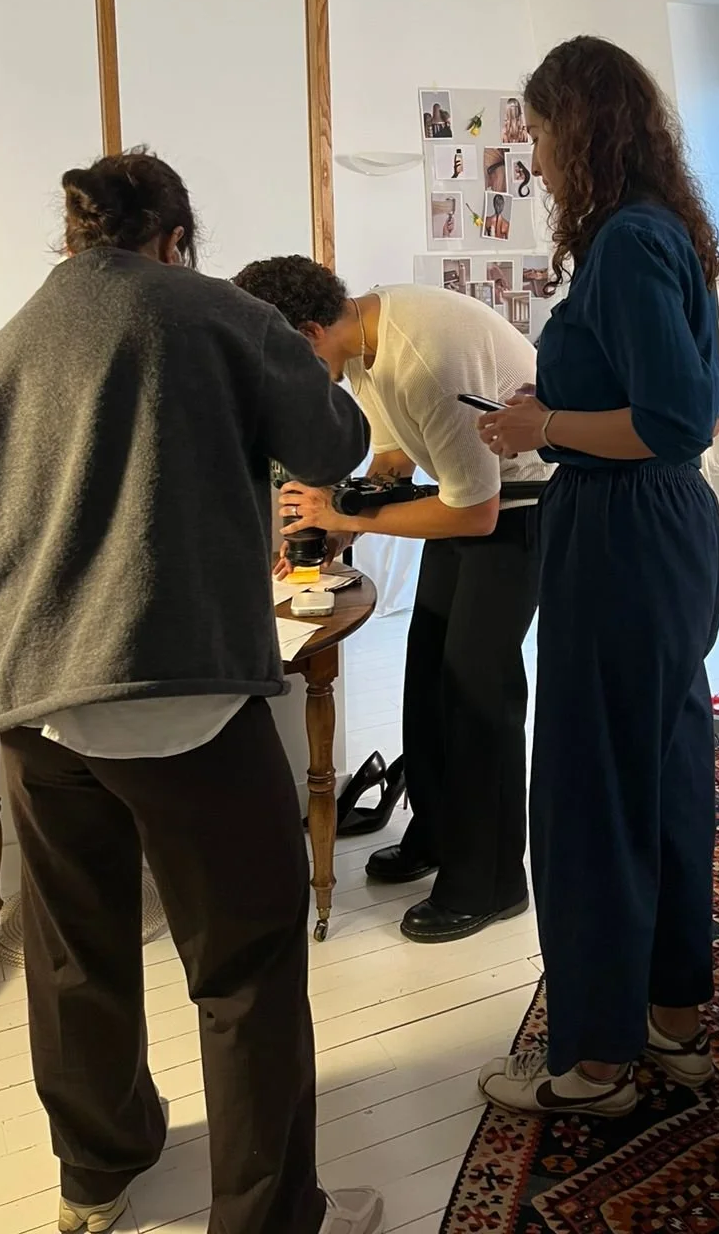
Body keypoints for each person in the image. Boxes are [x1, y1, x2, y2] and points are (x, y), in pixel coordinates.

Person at [0, 151, 378, 1234]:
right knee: (246, 969)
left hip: (36, 707)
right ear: (176, 235)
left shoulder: (6, 349)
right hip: (180, 700)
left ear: (77, 235)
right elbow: (337, 441)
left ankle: (98, 1175)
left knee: (76, 956)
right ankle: (270, 1219)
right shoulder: (211, 311)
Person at [476, 36, 719, 1116]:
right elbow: (699, 409)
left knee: (591, 791)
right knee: (664, 768)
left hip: (622, 532)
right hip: (667, 533)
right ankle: (673, 1021)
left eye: (536, 130)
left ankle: (592, 1063)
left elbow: (670, 419)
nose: (532, 155)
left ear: (581, 126)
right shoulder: (666, 233)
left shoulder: (627, 243)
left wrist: (541, 424)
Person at [232, 259, 550, 945]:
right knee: (428, 678)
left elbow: (477, 514)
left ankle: (492, 882)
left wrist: (346, 516)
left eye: (282, 357)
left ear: (311, 330)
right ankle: (436, 836)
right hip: (476, 496)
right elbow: (397, 454)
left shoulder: (424, 358)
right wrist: (337, 526)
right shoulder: (365, 348)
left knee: (476, 692)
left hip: (527, 506)